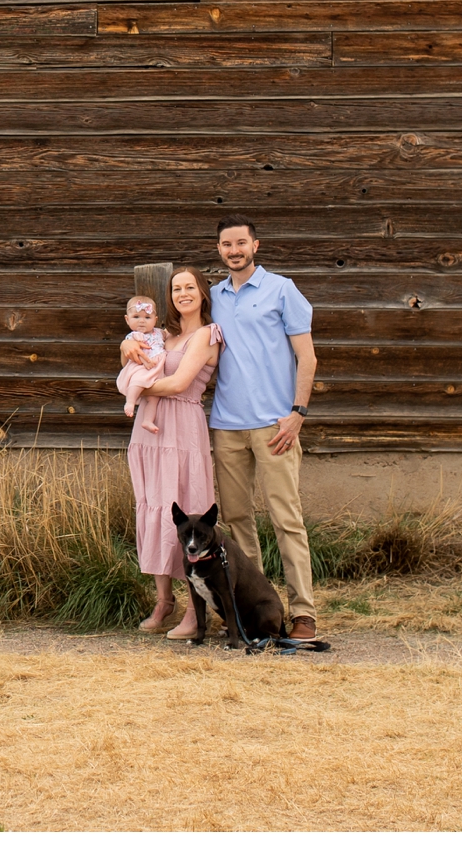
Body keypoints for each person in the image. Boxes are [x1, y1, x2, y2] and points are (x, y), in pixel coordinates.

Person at [206, 216, 319, 641]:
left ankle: (303, 612)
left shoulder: (282, 290)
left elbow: (306, 358)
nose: (234, 250)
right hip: (227, 425)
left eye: (240, 242)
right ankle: (251, 611)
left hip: (276, 425)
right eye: (226, 244)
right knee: (235, 523)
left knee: (286, 519)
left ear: (255, 245)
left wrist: (297, 412)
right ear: (218, 250)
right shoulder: (213, 297)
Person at [128, 265, 220, 637]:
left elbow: (181, 382)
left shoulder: (207, 335)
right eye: (176, 288)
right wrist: (125, 345)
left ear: (202, 293)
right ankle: (164, 601)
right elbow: (131, 352)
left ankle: (196, 610)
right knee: (153, 507)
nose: (182, 294)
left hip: (181, 428)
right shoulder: (163, 335)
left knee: (183, 508)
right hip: (150, 431)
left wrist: (134, 392)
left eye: (189, 287)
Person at [115, 295, 167, 434]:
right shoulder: (133, 337)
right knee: (137, 381)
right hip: (142, 367)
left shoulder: (160, 333)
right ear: (127, 319)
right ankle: (130, 402)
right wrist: (146, 362)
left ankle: (148, 420)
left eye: (147, 318)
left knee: (154, 399)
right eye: (136, 317)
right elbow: (138, 353)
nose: (142, 321)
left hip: (156, 370)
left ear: (155, 320)